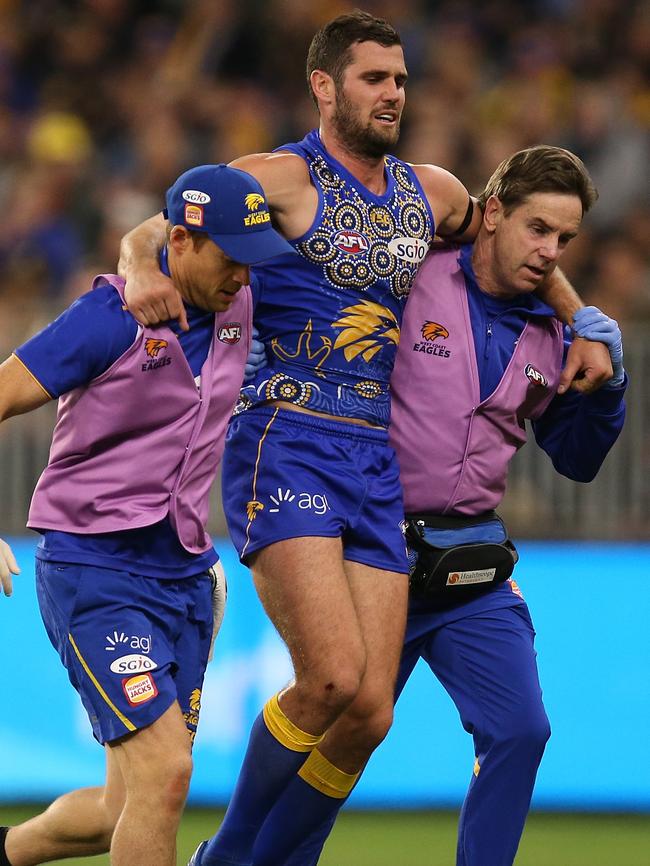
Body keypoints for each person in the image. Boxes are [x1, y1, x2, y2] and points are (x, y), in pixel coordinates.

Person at [118, 13, 612, 866]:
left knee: (371, 711)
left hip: (370, 456)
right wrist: (133, 269)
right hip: (288, 436)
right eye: (375, 78)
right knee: (332, 679)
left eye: (402, 79)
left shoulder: (435, 192)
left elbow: (523, 234)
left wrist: (584, 323)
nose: (393, 93)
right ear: (324, 84)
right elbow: (169, 227)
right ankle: (230, 859)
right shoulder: (274, 176)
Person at [244, 146, 627, 866]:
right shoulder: (412, 274)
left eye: (564, 241)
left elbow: (576, 459)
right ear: (489, 217)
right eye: (537, 229)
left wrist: (607, 388)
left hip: (468, 566)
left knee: (521, 729)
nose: (548, 253)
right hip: (369, 546)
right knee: (346, 729)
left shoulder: (553, 334)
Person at [0, 163, 294, 866]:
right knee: (166, 773)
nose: (245, 279)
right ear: (188, 243)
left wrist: (139, 244)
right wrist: (134, 261)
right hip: (93, 572)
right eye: (232, 259)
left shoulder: (237, 299)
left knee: (120, 810)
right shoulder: (109, 319)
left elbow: (165, 225)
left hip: (186, 578)